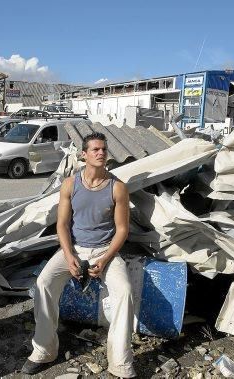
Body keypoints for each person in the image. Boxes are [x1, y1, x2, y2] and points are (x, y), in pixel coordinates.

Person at [22, 132, 136, 377]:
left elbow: (123, 230)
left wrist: (105, 260)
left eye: (103, 149)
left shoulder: (118, 188)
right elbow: (62, 225)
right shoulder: (71, 184)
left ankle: (121, 363)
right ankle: (44, 350)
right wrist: (69, 254)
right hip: (74, 248)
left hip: (105, 251)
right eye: (95, 149)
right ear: (84, 155)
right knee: (44, 282)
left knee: (125, 291)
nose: (101, 153)